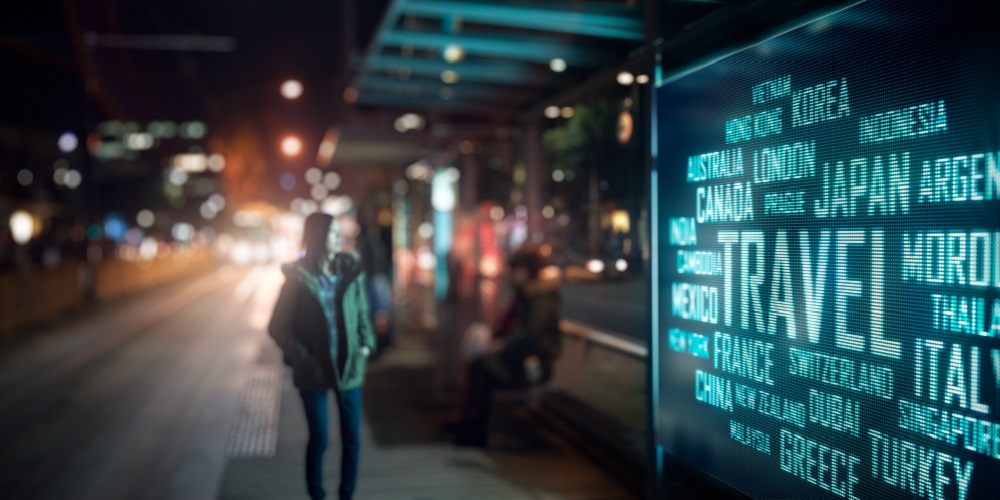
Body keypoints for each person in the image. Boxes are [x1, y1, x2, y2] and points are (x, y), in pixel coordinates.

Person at [268, 212, 377, 500]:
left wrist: (364, 344)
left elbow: (362, 312)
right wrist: (304, 356)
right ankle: (317, 496)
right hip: (313, 371)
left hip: (349, 366)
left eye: (339, 231)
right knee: (319, 440)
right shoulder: (298, 278)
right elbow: (277, 327)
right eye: (331, 232)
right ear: (318, 236)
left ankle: (346, 495)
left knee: (352, 439)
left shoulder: (350, 271)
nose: (338, 237)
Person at [445, 246, 562, 447]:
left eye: (514, 270)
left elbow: (530, 336)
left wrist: (501, 346)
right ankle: (470, 424)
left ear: (524, 272)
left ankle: (474, 428)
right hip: (524, 360)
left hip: (533, 367)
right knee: (480, 365)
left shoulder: (540, 299)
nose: (511, 275)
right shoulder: (530, 296)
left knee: (482, 367)